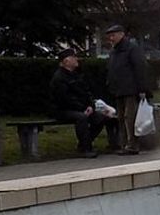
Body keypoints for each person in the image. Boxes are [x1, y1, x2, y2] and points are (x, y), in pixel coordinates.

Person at [49, 50, 118, 157]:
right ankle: (86, 149)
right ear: (66, 61)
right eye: (74, 57)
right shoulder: (59, 78)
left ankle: (84, 144)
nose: (77, 59)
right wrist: (82, 108)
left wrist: (90, 105)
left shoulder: (76, 75)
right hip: (63, 110)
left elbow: (86, 92)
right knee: (81, 118)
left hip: (80, 108)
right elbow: (65, 99)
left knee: (101, 118)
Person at [105, 24, 149, 156]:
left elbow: (140, 68)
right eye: (109, 36)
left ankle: (132, 145)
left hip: (130, 89)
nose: (111, 38)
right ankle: (124, 144)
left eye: (113, 35)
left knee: (129, 118)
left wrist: (142, 89)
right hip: (118, 90)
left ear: (121, 34)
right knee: (120, 118)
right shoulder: (114, 50)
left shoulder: (132, 48)